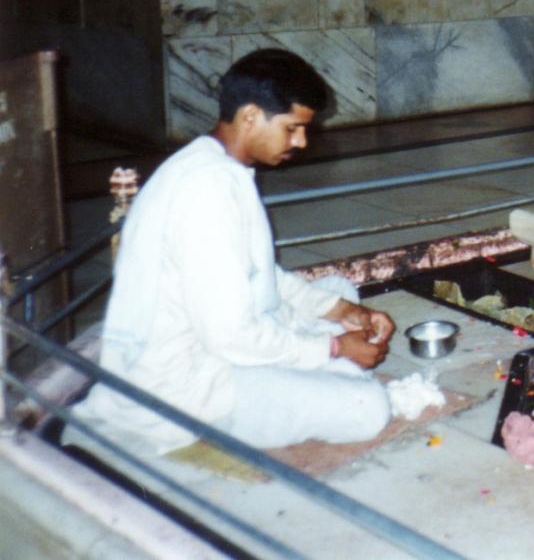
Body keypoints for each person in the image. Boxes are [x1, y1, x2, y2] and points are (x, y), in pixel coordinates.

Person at [70, 49, 395, 455]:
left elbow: (263, 274)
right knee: (368, 408)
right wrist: (333, 347)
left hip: (219, 339)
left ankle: (324, 367)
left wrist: (344, 311)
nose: (301, 142)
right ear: (251, 116)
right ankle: (328, 373)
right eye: (293, 128)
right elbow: (231, 336)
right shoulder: (207, 192)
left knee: (338, 289)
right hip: (186, 387)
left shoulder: (213, 164)